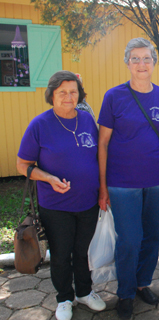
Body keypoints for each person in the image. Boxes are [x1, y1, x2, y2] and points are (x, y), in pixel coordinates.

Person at [97, 37, 159, 320]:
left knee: (152, 236)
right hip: (123, 183)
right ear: (127, 63)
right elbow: (103, 143)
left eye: (146, 58)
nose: (141, 63)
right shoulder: (114, 96)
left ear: (154, 63)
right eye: (135, 58)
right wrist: (102, 185)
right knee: (129, 240)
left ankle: (142, 283)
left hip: (158, 180)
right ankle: (124, 293)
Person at [16, 71, 106, 320]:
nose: (69, 97)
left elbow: (98, 157)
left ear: (80, 94)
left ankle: (85, 292)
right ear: (52, 95)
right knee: (61, 253)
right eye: (62, 92)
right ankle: (65, 298)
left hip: (87, 202)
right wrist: (48, 178)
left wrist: (102, 190)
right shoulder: (40, 125)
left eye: (73, 91)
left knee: (82, 251)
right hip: (55, 206)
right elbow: (22, 165)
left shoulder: (87, 120)